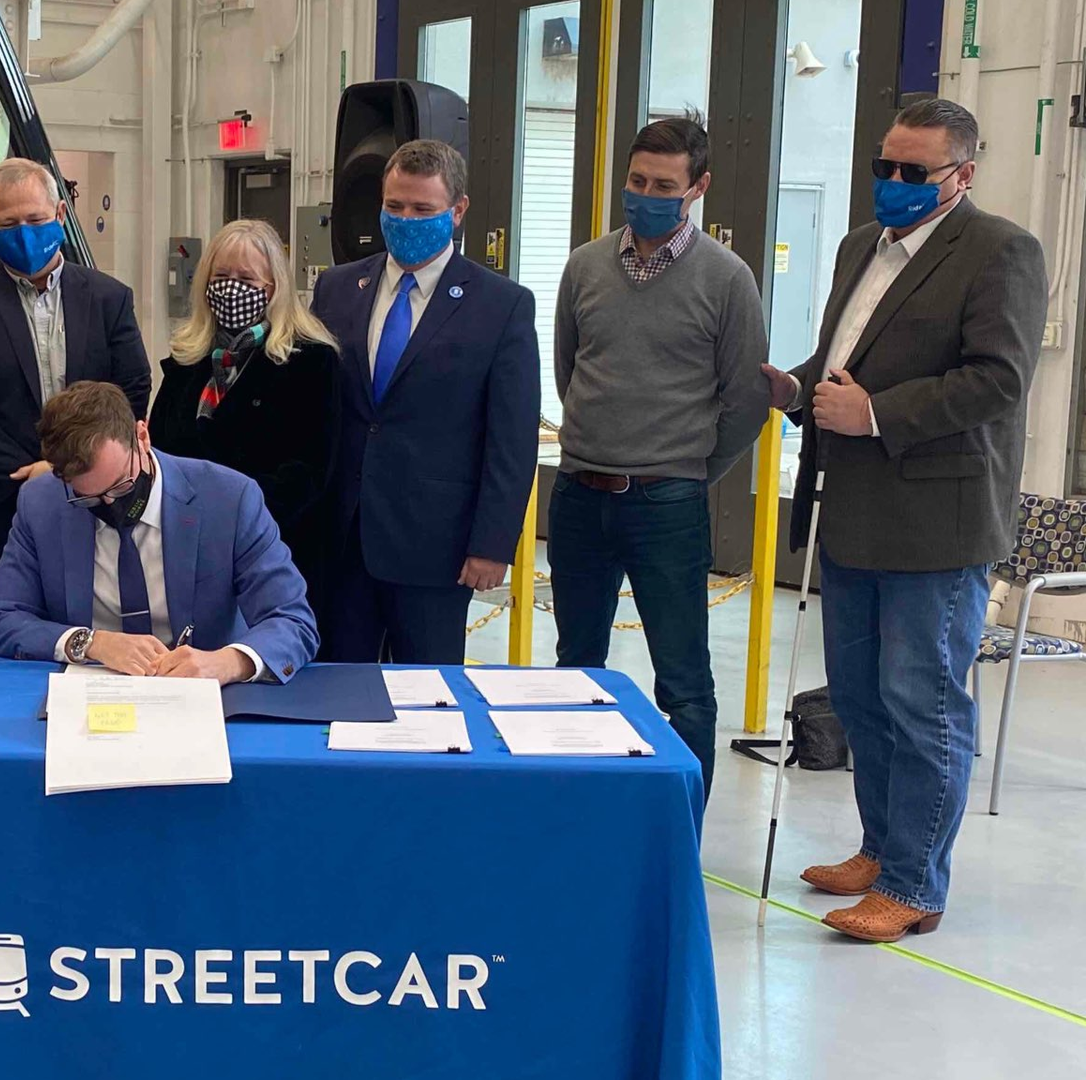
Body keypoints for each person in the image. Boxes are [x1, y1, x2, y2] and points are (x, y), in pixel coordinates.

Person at [761, 99, 1045, 942]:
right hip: (852, 509)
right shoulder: (863, 246)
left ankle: (916, 884)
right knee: (861, 697)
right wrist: (797, 386)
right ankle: (882, 850)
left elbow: (998, 380)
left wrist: (877, 414)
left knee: (923, 704)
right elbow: (851, 358)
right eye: (883, 167)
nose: (891, 184)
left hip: (937, 520)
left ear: (961, 175)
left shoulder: (1000, 252)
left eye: (912, 173)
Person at [549, 113, 770, 797]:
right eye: (637, 179)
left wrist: (689, 469)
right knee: (576, 666)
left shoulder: (727, 279)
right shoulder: (585, 265)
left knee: (683, 680)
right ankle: (581, 808)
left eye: (663, 184)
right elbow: (568, 369)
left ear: (697, 187)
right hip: (580, 493)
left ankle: (681, 830)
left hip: (669, 503)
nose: (645, 193)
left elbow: (746, 400)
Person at [311, 139, 539, 664]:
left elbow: (511, 439)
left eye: (422, 210)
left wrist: (493, 544)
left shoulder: (501, 306)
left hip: (438, 547)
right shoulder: (339, 288)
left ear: (457, 211)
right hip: (344, 541)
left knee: (430, 699)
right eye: (395, 206)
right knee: (339, 693)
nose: (406, 219)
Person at [0, 157, 151, 625]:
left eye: (36, 219)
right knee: (4, 641)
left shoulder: (109, 297)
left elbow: (131, 387)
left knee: (92, 636)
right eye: (9, 223)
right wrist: (25, 472)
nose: (24, 232)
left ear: (61, 215)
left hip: (96, 498)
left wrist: (68, 466)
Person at [0, 382, 317, 684]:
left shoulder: (229, 499)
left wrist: (228, 663)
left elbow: (292, 619)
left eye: (122, 485)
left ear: (142, 436)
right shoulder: (42, 504)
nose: (110, 503)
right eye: (90, 499)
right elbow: (0, 621)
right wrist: (90, 642)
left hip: (205, 697)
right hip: (90, 695)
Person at [149, 218, 340, 607]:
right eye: (221, 275)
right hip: (188, 554)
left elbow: (311, 471)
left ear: (273, 288)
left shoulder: (311, 362)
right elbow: (159, 452)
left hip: (273, 550)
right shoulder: (188, 359)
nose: (230, 286)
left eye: (246, 278)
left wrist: (232, 519)